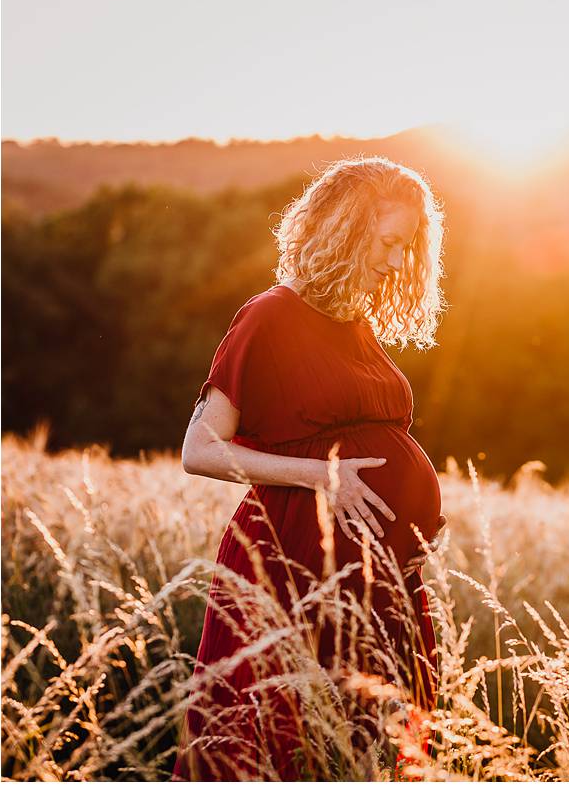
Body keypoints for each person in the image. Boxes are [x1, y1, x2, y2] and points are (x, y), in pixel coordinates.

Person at [171, 156, 448, 780]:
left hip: (378, 577)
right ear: (346, 229)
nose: (400, 262)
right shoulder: (269, 318)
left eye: (408, 247)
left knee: (363, 749)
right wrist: (323, 477)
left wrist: (415, 519)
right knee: (277, 743)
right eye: (389, 242)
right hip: (293, 565)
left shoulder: (354, 322)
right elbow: (200, 449)